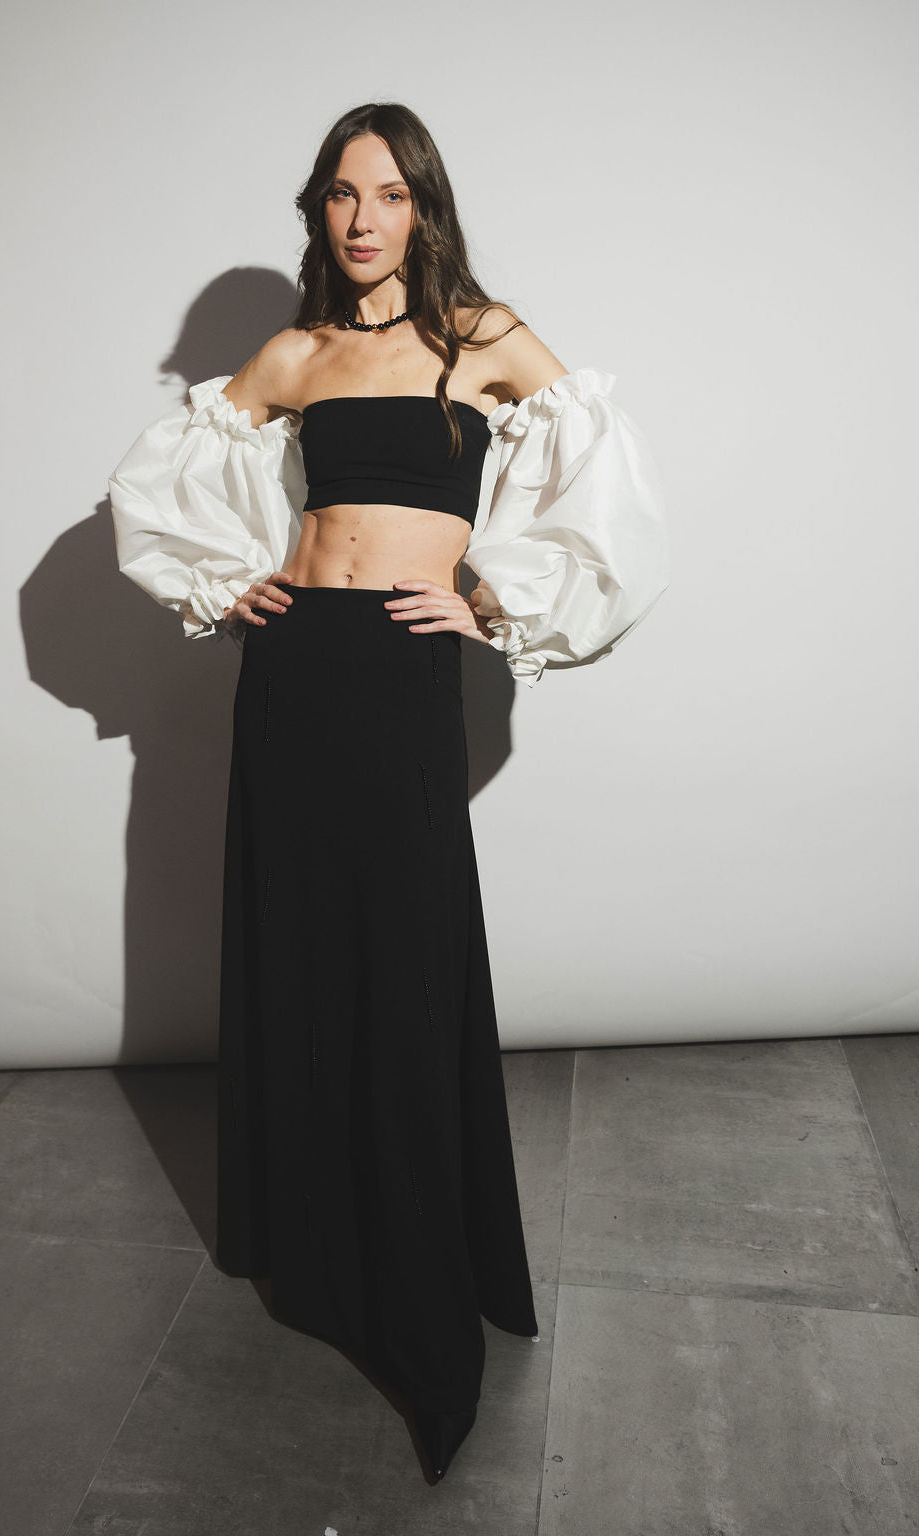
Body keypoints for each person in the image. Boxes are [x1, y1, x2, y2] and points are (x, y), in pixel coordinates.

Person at [108, 101, 669, 1482]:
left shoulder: (479, 337)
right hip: (293, 666)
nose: (364, 220)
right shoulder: (294, 353)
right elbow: (159, 490)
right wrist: (221, 579)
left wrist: (497, 601)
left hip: (401, 671)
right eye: (342, 195)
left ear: (425, 208)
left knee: (404, 952)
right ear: (318, 210)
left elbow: (604, 479)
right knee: (301, 944)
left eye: (390, 195)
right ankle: (310, 1235)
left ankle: (419, 1262)